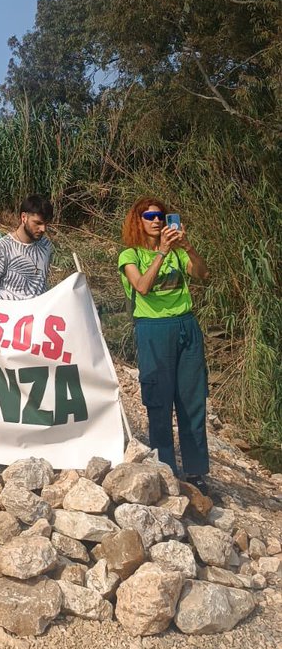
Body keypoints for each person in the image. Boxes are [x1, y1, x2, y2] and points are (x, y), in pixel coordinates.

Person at [118, 197, 211, 492]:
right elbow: (142, 286)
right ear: (138, 220)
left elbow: (203, 274)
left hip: (185, 325)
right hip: (153, 328)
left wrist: (187, 247)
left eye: (160, 216)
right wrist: (161, 253)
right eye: (149, 216)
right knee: (158, 401)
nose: (157, 221)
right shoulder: (129, 255)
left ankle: (196, 471)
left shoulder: (177, 252)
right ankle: (166, 469)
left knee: (192, 401)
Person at [0, 195, 54, 300]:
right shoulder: (1, 249)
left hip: (39, 314)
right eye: (38, 223)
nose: (43, 229)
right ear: (24, 217)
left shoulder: (46, 245)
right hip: (11, 314)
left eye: (46, 224)